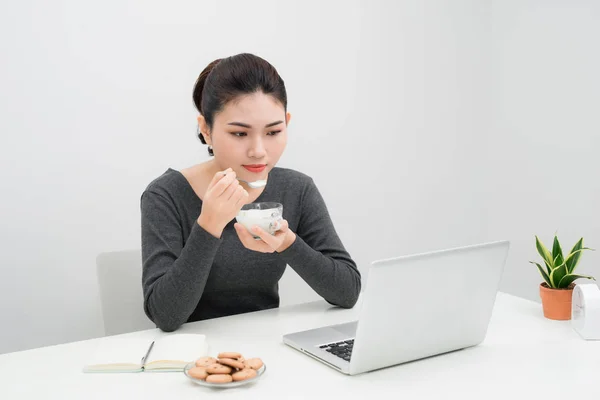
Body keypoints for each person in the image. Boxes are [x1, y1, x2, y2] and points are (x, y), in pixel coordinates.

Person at [140, 53, 361, 332]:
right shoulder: (165, 195)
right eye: (240, 134)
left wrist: (287, 243)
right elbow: (166, 316)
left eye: (273, 132)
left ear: (286, 123)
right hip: (194, 360)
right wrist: (209, 224)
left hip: (269, 351)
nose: (259, 151)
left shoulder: (296, 189)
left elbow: (348, 291)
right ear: (206, 129)